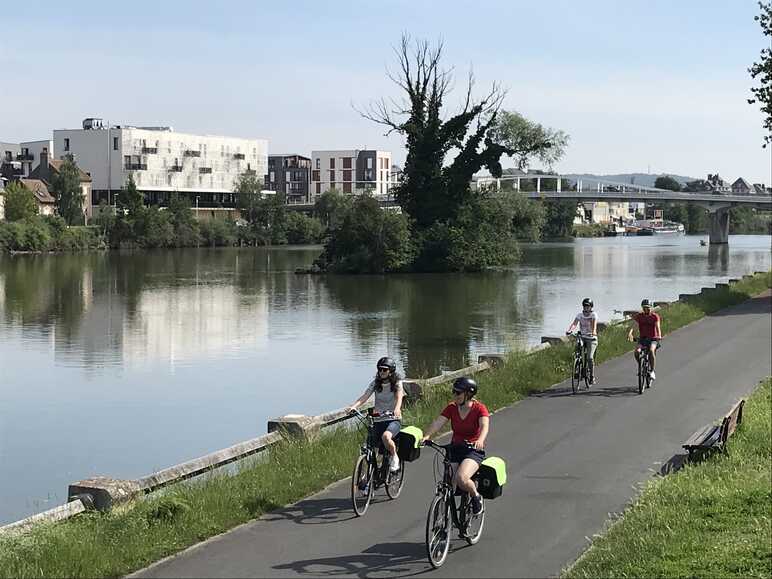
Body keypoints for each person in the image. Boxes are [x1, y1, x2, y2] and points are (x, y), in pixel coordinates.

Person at [420, 377, 490, 515]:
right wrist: (427, 436)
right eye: (454, 392)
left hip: (473, 450)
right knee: (449, 483)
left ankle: (476, 497)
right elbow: (438, 423)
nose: (455, 395)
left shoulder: (479, 408)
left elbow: (484, 426)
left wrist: (480, 440)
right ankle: (446, 517)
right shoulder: (452, 408)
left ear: (468, 394)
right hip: (455, 448)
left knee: (461, 478)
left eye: (458, 393)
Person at [347, 357, 404, 472]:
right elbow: (365, 396)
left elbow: (399, 397)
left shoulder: (397, 383)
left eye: (384, 370)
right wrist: (354, 406)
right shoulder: (375, 383)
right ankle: (367, 476)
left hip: (393, 419)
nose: (381, 372)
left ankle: (394, 456)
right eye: (379, 369)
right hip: (378, 420)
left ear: (391, 371)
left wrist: (397, 409)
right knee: (368, 448)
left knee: (386, 437)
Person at [566, 297, 598, 385]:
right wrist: (570, 330)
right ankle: (577, 366)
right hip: (582, 337)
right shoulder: (580, 315)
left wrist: (594, 332)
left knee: (590, 358)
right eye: (584, 306)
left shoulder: (593, 315)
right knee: (578, 348)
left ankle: (591, 376)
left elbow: (594, 325)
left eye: (588, 306)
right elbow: (574, 324)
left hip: (591, 338)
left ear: (591, 307)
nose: (586, 308)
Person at [627, 298, 662, 380]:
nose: (646, 309)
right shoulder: (640, 316)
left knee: (651, 350)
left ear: (651, 307)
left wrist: (659, 335)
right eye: (644, 308)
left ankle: (652, 371)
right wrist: (630, 333)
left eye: (648, 307)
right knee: (637, 352)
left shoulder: (654, 316)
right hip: (643, 338)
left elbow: (658, 327)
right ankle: (640, 365)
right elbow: (634, 325)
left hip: (653, 338)